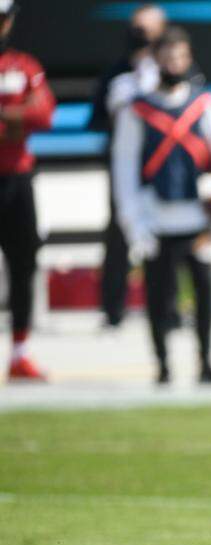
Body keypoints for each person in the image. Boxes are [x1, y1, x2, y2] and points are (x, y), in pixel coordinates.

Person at [111, 26, 211, 384]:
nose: (174, 64)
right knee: (158, 296)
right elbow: (124, 168)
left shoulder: (203, 104)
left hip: (197, 219)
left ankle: (206, 362)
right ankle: (162, 365)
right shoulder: (137, 110)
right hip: (156, 218)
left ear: (188, 59)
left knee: (205, 293)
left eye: (180, 57)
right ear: (155, 60)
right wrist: (133, 223)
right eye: (167, 57)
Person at [88, 3, 167, 329]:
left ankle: (167, 311)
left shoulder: (175, 70)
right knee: (119, 233)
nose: (142, 36)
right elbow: (97, 119)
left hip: (164, 167)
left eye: (148, 29)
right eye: (137, 29)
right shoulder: (116, 74)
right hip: (125, 167)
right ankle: (113, 310)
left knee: (168, 239)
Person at [0, 0, 55, 382]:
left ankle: (20, 353)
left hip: (16, 179)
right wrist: (16, 116)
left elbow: (44, 113)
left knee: (23, 265)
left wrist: (10, 116)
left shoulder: (24, 65)